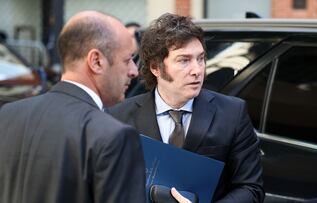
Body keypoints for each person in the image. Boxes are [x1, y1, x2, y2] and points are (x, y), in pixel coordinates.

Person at [109, 13, 265, 203]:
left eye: (200, 59)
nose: (197, 70)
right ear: (155, 67)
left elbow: (251, 188)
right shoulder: (119, 117)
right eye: (184, 60)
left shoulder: (232, 113)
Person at [0, 11, 146, 203]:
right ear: (96, 61)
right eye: (127, 60)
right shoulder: (113, 137)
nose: (134, 71)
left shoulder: (8, 115)